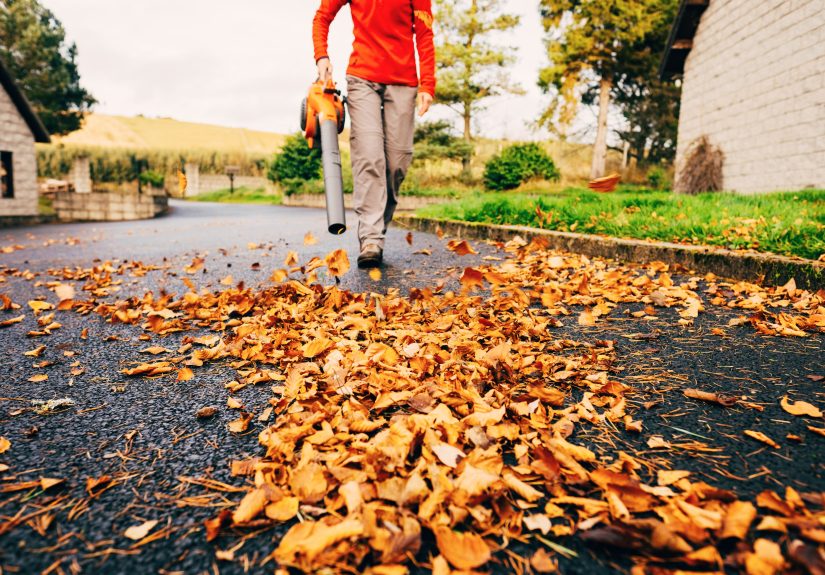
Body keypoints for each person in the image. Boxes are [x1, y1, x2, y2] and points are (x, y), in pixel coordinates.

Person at [312, 0, 435, 268]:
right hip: (362, 78)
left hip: (403, 81)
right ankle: (371, 239)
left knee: (396, 165)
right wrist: (322, 56)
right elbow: (322, 16)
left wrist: (428, 83)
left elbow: (425, 33)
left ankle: (376, 228)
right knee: (369, 157)